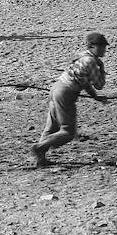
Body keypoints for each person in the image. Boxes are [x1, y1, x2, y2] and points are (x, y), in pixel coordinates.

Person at [30, 32, 108, 168]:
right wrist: (101, 68)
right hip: (66, 94)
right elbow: (99, 84)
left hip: (56, 88)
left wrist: (94, 96)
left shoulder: (81, 56)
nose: (103, 49)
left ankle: (40, 159)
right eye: (100, 46)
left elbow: (84, 82)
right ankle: (39, 147)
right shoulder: (91, 62)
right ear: (92, 46)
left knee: (52, 126)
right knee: (68, 132)